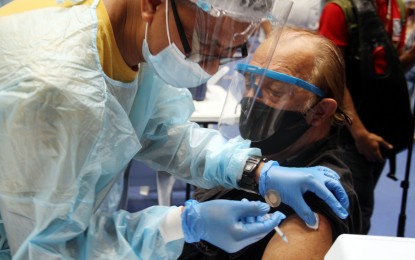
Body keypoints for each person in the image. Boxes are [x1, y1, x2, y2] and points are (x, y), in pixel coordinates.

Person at [0, 0, 350, 258]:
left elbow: (166, 131)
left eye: (228, 53)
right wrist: (181, 224)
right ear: (152, 4)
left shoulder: (133, 36)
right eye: (205, 47)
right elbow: (46, 248)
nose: (210, 69)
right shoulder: (53, 88)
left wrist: (255, 170)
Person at [179, 26, 361, 260]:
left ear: (319, 112)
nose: (252, 100)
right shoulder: (250, 157)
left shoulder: (320, 195)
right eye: (249, 83)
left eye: (275, 91)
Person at [319, 0, 415, 234]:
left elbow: (387, 69)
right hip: (346, 131)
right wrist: (359, 133)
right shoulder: (338, 10)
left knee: (361, 208)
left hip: (377, 130)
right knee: (353, 213)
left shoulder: (397, 8)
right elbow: (334, 77)